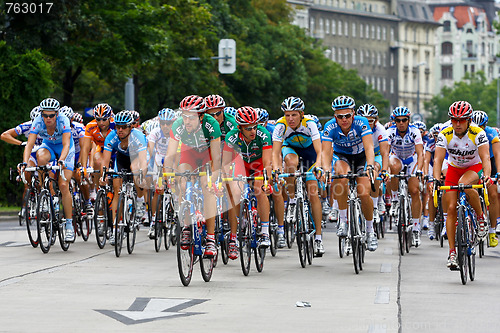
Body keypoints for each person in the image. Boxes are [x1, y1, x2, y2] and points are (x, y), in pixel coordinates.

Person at [434, 101, 491, 269]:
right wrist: (436, 178)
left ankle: (481, 218)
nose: (457, 124)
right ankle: (452, 253)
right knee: (451, 208)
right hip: (454, 168)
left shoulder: (477, 133)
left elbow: (486, 158)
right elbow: (437, 159)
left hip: (474, 167)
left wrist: (486, 175)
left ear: (469, 120)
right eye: (454, 120)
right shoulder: (445, 134)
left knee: (464, 185)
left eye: (462, 120)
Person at [163, 95, 222, 257]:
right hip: (189, 154)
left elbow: (216, 157)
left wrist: (214, 179)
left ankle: (210, 239)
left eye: (191, 117)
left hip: (207, 155)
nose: (187, 121)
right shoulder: (178, 125)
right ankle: (187, 227)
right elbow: (170, 154)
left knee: (206, 186)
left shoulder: (212, 125)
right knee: (182, 181)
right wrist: (168, 173)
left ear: (201, 116)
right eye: (184, 116)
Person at [322, 96, 377, 251]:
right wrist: (326, 169)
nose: (344, 119)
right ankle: (344, 221)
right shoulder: (330, 127)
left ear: (353, 113)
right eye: (340, 116)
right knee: (341, 176)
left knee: (364, 193)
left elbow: (369, 148)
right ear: (335, 117)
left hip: (361, 157)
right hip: (342, 157)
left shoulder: (361, 122)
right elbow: (326, 153)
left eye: (347, 116)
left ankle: (370, 231)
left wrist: (370, 166)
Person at [272, 96, 325, 256]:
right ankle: (293, 200)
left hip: (310, 155)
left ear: (301, 114)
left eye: (294, 115)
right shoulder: (280, 126)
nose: (290, 119)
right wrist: (275, 169)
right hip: (291, 151)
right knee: (289, 161)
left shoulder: (310, 123)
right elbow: (275, 153)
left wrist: (320, 167)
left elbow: (320, 151)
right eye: (287, 115)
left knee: (313, 194)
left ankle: (318, 238)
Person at [21, 98, 76, 242]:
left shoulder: (63, 120)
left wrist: (62, 160)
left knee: (64, 185)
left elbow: (65, 144)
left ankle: (69, 225)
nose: (48, 118)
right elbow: (29, 145)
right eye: (45, 115)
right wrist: (24, 162)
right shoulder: (38, 121)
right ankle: (44, 191)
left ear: (57, 114)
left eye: (51, 115)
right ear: (41, 114)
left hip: (66, 149)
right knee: (40, 157)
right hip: (49, 146)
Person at [223, 106, 273, 258]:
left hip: (258, 163)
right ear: (239, 128)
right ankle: (233, 237)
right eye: (248, 128)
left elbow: (267, 162)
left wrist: (267, 181)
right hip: (241, 163)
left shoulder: (263, 134)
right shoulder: (231, 136)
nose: (253, 131)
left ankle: (264, 232)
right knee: (235, 193)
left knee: (259, 189)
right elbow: (226, 162)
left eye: (255, 126)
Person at [100, 110, 148, 245]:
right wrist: (103, 175)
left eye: (124, 127)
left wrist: (142, 175)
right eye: (117, 127)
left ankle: (139, 200)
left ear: (130, 127)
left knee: (135, 169)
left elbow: (143, 160)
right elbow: (105, 161)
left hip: (136, 158)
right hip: (121, 160)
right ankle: (115, 228)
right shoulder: (111, 136)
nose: (120, 130)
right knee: (117, 191)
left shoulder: (138, 136)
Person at [386, 107, 424, 247]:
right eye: (398, 120)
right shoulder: (389, 132)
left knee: (414, 191)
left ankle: (415, 228)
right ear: (394, 121)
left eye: (404, 120)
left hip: (411, 158)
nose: (401, 123)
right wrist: (385, 169)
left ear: (409, 120)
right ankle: (395, 199)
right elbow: (386, 152)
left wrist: (419, 170)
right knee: (394, 168)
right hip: (397, 158)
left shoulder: (414, 131)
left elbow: (420, 153)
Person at [356, 104, 389, 230]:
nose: (367, 123)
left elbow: (385, 152)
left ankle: (374, 207)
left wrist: (384, 170)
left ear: (376, 120)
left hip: (375, 155)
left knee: (373, 172)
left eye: (370, 120)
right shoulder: (355, 128)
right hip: (360, 157)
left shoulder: (380, 129)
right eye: (363, 119)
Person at [146, 108, 177, 238]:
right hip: (159, 161)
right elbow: (150, 149)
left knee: (175, 188)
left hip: (173, 160)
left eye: (168, 123)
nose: (165, 126)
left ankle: (176, 217)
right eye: (162, 123)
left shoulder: (177, 133)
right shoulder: (155, 132)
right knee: (158, 190)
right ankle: (154, 221)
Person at [471, 110, 499, 247]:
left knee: (493, 194)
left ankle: (493, 231)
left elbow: (497, 154)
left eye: (481, 127)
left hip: (490, 160)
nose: (478, 129)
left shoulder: (491, 133)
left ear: (485, 125)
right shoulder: (467, 132)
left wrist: (498, 173)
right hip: (474, 162)